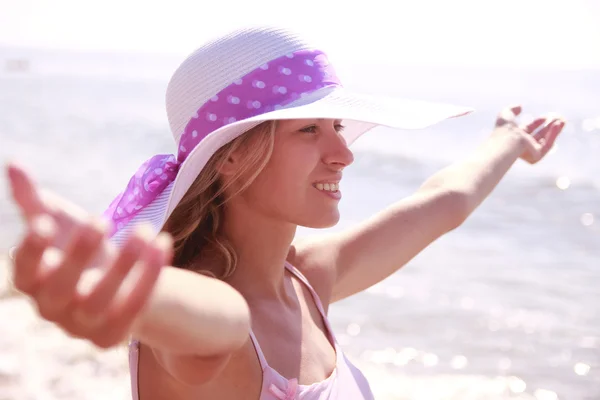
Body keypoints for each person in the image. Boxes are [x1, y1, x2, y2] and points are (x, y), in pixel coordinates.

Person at [6, 26, 565, 400]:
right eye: (308, 130)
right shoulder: (212, 314)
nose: (344, 153)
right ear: (229, 157)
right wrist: (132, 291)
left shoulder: (306, 281)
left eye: (338, 127)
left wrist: (509, 142)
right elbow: (215, 321)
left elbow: (442, 203)